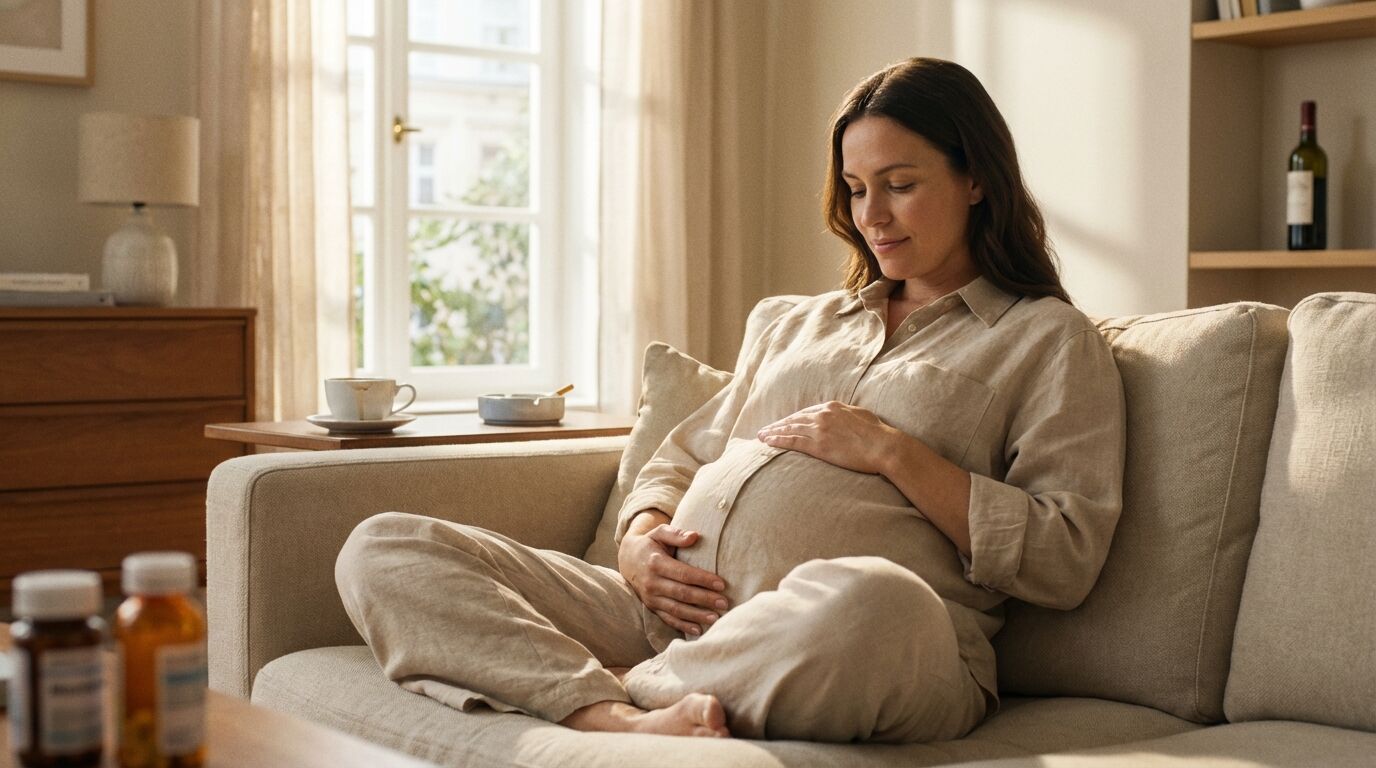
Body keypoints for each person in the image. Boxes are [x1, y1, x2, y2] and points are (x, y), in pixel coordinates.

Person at [335, 57, 1125, 744]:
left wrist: (893, 452)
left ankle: (600, 690)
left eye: (901, 185)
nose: (872, 216)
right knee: (384, 545)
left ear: (976, 177)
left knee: (875, 604)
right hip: (657, 615)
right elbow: (680, 455)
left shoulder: (1048, 341)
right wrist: (640, 542)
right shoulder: (794, 322)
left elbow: (1065, 557)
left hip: (861, 640)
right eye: (855, 190)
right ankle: (619, 712)